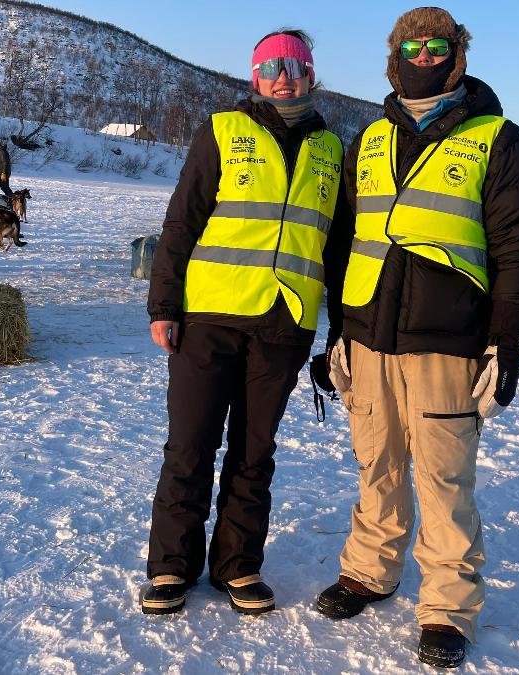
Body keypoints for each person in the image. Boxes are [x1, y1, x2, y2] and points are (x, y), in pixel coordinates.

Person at [311, 7, 519, 669]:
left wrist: (506, 341)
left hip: (448, 341)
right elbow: (344, 241)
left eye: (436, 46)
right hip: (368, 336)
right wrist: (338, 331)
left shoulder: (497, 139)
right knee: (376, 463)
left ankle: (448, 606)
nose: (423, 56)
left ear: (457, 55)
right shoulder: (370, 139)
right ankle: (369, 569)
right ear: (394, 57)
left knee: (444, 479)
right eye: (411, 47)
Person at [141, 29, 347, 617]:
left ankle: (238, 565)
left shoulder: (333, 149)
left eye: (295, 67)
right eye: (272, 67)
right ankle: (170, 566)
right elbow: (181, 221)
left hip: (286, 320)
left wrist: (341, 328)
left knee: (254, 452)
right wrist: (164, 306)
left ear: (310, 76)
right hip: (210, 315)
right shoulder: (223, 131)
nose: (284, 77)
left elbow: (337, 248)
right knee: (191, 444)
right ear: (255, 77)